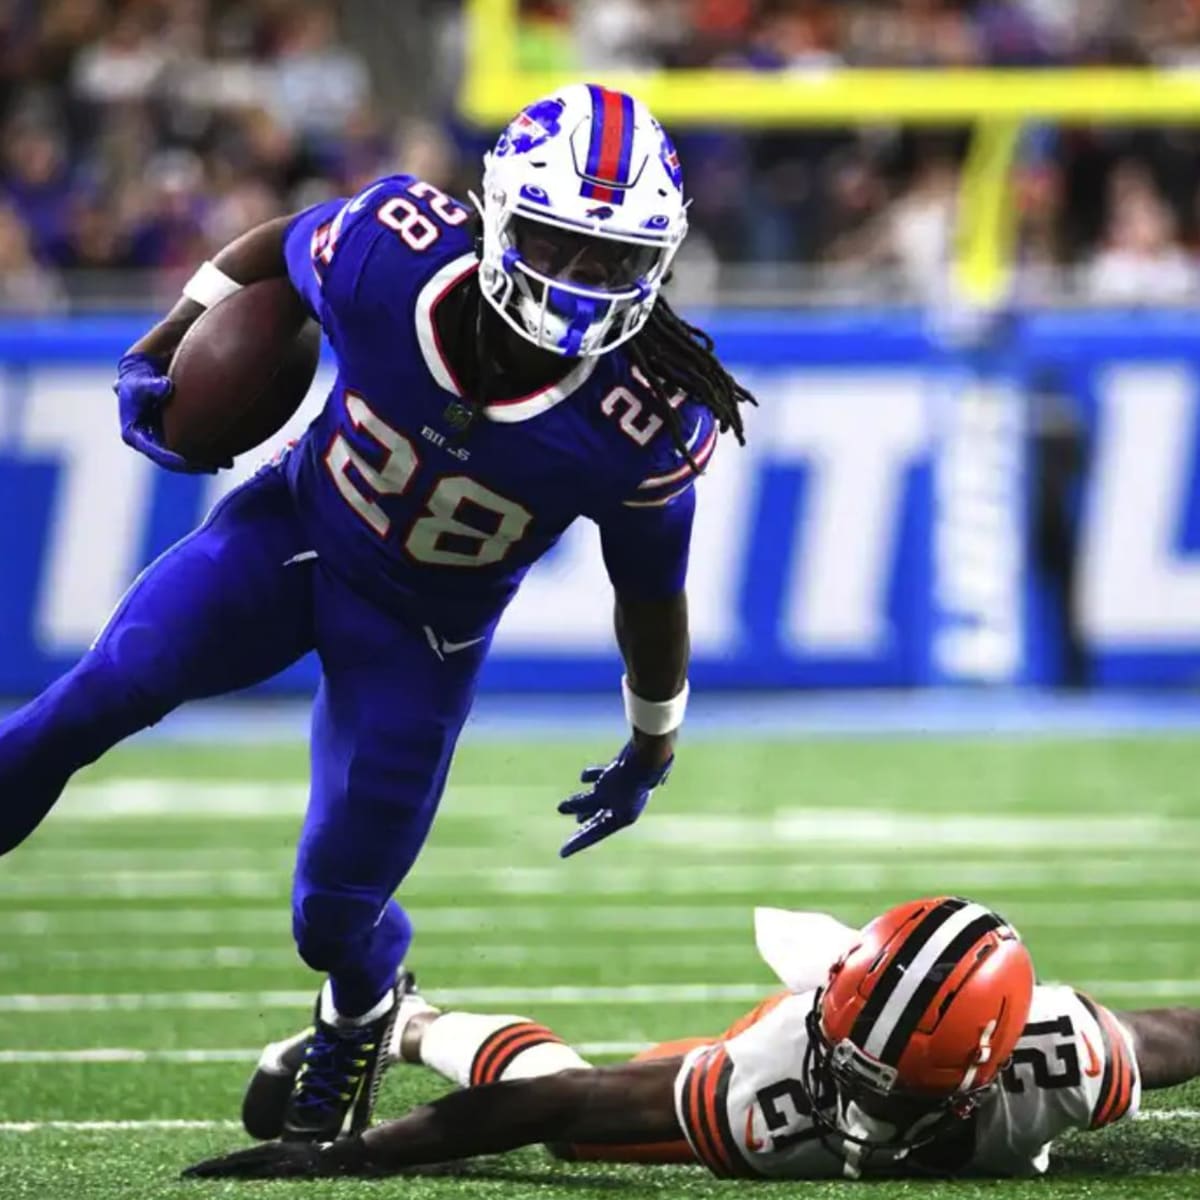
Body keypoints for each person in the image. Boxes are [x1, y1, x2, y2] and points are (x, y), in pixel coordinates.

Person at [0, 84, 754, 1142]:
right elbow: (281, 246)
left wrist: (654, 737)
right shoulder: (397, 256)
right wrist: (167, 341)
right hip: (292, 540)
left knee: (334, 913)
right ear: (499, 217)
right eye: (556, 242)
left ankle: (363, 1004)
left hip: (422, 639)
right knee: (84, 704)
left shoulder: (641, 416)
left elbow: (650, 588)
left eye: (613, 258)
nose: (581, 283)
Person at [184, 895, 1200, 1181]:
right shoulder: (776, 1090)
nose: (865, 1108)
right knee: (577, 1133)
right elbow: (560, 1103)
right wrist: (357, 1154)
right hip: (786, 1033)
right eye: (863, 1078)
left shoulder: (1063, 1057)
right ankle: (411, 1020)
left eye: (898, 1093)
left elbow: (1181, 1034)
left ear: (984, 1083)